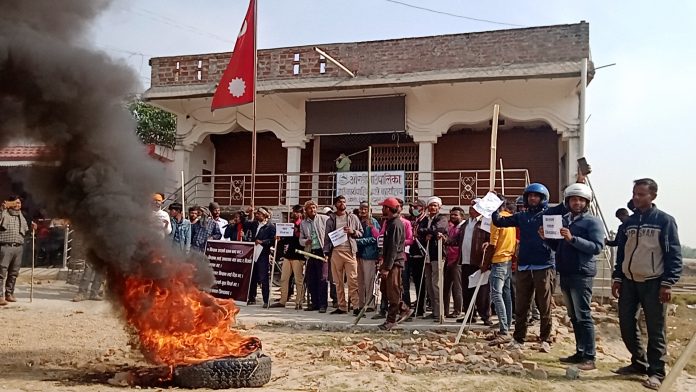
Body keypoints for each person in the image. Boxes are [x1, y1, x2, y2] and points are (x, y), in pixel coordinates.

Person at [611, 178, 682, 390]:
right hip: (629, 281)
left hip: (654, 282)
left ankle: (656, 372)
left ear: (653, 196)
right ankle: (638, 363)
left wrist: (668, 283)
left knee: (655, 328)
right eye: (634, 193)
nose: (636, 197)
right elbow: (622, 252)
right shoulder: (629, 223)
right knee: (625, 323)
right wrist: (617, 277)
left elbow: (674, 254)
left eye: (641, 194)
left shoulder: (664, 221)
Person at [540, 183, 604, 370]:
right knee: (574, 316)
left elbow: (597, 247)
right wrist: (547, 239)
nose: (577, 203)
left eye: (581, 200)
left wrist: (573, 239)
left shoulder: (592, 222)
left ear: (587, 203)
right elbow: (559, 246)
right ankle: (580, 351)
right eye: (573, 199)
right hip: (566, 272)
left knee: (583, 315)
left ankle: (590, 357)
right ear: (567, 202)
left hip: (581, 273)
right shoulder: (566, 221)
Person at [493, 183, 555, 353]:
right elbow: (498, 221)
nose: (533, 198)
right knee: (521, 305)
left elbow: (566, 208)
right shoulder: (521, 216)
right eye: (530, 196)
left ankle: (545, 339)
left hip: (544, 264)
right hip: (524, 265)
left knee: (544, 304)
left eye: (536, 196)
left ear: (543, 198)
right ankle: (518, 338)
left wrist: (580, 182)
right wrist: (494, 203)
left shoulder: (549, 214)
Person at [451, 199, 491, 325]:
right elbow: (457, 239)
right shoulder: (466, 223)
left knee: (482, 291)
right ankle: (469, 315)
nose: (471, 208)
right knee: (467, 290)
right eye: (471, 206)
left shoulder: (485, 222)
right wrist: (445, 239)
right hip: (466, 261)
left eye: (475, 206)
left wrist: (488, 244)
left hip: (479, 262)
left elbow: (492, 239)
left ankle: (486, 316)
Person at [484, 196, 518, 342]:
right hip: (508, 260)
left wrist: (485, 263)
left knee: (496, 294)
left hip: (499, 260)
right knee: (506, 294)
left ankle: (504, 330)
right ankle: (506, 326)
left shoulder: (497, 221)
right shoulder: (510, 219)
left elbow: (493, 244)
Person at [323, 195, 363, 315]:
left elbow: (361, 232)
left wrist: (353, 232)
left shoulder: (353, 218)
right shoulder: (331, 219)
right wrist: (326, 252)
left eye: (344, 202)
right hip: (335, 252)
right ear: (335, 205)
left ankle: (356, 306)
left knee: (353, 280)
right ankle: (341, 306)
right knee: (337, 281)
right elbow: (327, 237)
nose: (342, 204)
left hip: (350, 251)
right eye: (340, 202)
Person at [377, 197, 412, 330]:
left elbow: (393, 247)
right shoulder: (390, 223)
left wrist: (387, 267)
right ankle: (403, 308)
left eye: (384, 207)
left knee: (393, 292)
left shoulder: (396, 224)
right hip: (389, 262)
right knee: (385, 289)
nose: (382, 209)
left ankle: (391, 320)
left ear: (388, 209)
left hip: (395, 263)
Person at [416, 196, 449, 321]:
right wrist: (427, 232)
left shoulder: (442, 218)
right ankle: (434, 310)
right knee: (429, 285)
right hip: (427, 254)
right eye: (431, 205)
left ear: (439, 207)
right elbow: (419, 230)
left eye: (435, 206)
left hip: (437, 255)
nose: (433, 208)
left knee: (437, 284)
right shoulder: (426, 219)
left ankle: (440, 312)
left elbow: (438, 229)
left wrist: (429, 232)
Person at [0, 196, 35, 306]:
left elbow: (25, 231)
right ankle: (0, 296)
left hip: (18, 247)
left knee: (14, 273)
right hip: (5, 247)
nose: (17, 205)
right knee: (1, 273)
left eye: (19, 203)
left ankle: (9, 294)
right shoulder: (3, 213)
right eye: (15, 203)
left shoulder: (22, 217)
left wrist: (33, 228)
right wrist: (3, 208)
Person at [271, 205, 305, 309]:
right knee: (284, 279)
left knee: (299, 280)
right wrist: (279, 237)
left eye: (296, 212)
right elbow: (286, 239)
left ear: (301, 213)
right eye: (293, 211)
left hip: (298, 256)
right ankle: (283, 300)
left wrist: (296, 231)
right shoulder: (290, 225)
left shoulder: (303, 225)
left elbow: (303, 239)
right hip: (288, 255)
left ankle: (299, 301)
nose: (294, 213)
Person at [300, 200, 330, 312]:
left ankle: (323, 305)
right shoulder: (303, 223)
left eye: (314, 208)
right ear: (306, 210)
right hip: (310, 252)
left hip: (322, 252)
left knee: (322, 279)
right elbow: (300, 239)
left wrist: (328, 251)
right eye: (310, 208)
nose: (312, 210)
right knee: (311, 279)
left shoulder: (324, 219)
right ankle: (315, 303)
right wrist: (305, 242)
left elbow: (330, 234)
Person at [247, 207, 276, 308]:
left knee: (264, 278)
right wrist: (248, 213)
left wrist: (262, 242)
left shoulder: (270, 226)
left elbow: (272, 241)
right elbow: (245, 224)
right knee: (252, 276)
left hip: (263, 254)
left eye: (259, 214)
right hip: (253, 253)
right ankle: (251, 297)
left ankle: (266, 300)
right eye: (256, 213)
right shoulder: (255, 224)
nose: (257, 215)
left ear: (264, 215)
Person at [356, 201, 380, 312]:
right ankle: (361, 303)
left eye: (365, 209)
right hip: (359, 254)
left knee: (368, 281)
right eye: (361, 208)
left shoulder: (372, 222)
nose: (363, 211)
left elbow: (375, 238)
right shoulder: (359, 221)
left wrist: (359, 241)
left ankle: (370, 304)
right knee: (360, 281)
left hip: (369, 254)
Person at [407, 199, 428, 315]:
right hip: (412, 253)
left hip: (423, 254)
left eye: (416, 207)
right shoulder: (413, 220)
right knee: (415, 281)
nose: (414, 209)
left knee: (422, 283)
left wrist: (419, 231)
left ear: (422, 208)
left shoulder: (426, 220)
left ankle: (422, 308)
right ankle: (418, 306)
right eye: (412, 207)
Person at [443, 207, 465, 318]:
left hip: (458, 259)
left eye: (455, 215)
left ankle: (457, 310)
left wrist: (446, 240)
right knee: (446, 286)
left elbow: (457, 242)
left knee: (457, 286)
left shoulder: (463, 228)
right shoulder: (452, 228)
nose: (452, 217)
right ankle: (444, 310)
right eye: (451, 215)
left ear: (462, 216)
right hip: (449, 258)